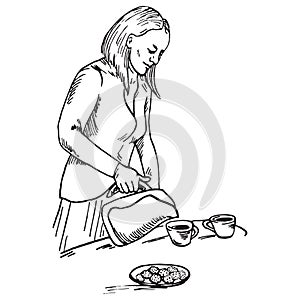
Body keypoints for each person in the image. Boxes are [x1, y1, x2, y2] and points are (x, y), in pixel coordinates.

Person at [52, 6, 170, 252]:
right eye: (152, 49)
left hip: (120, 203)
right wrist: (117, 169)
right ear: (130, 39)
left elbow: (143, 139)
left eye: (160, 53)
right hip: (84, 199)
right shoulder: (93, 77)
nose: (155, 59)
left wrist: (155, 187)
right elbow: (67, 132)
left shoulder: (142, 88)